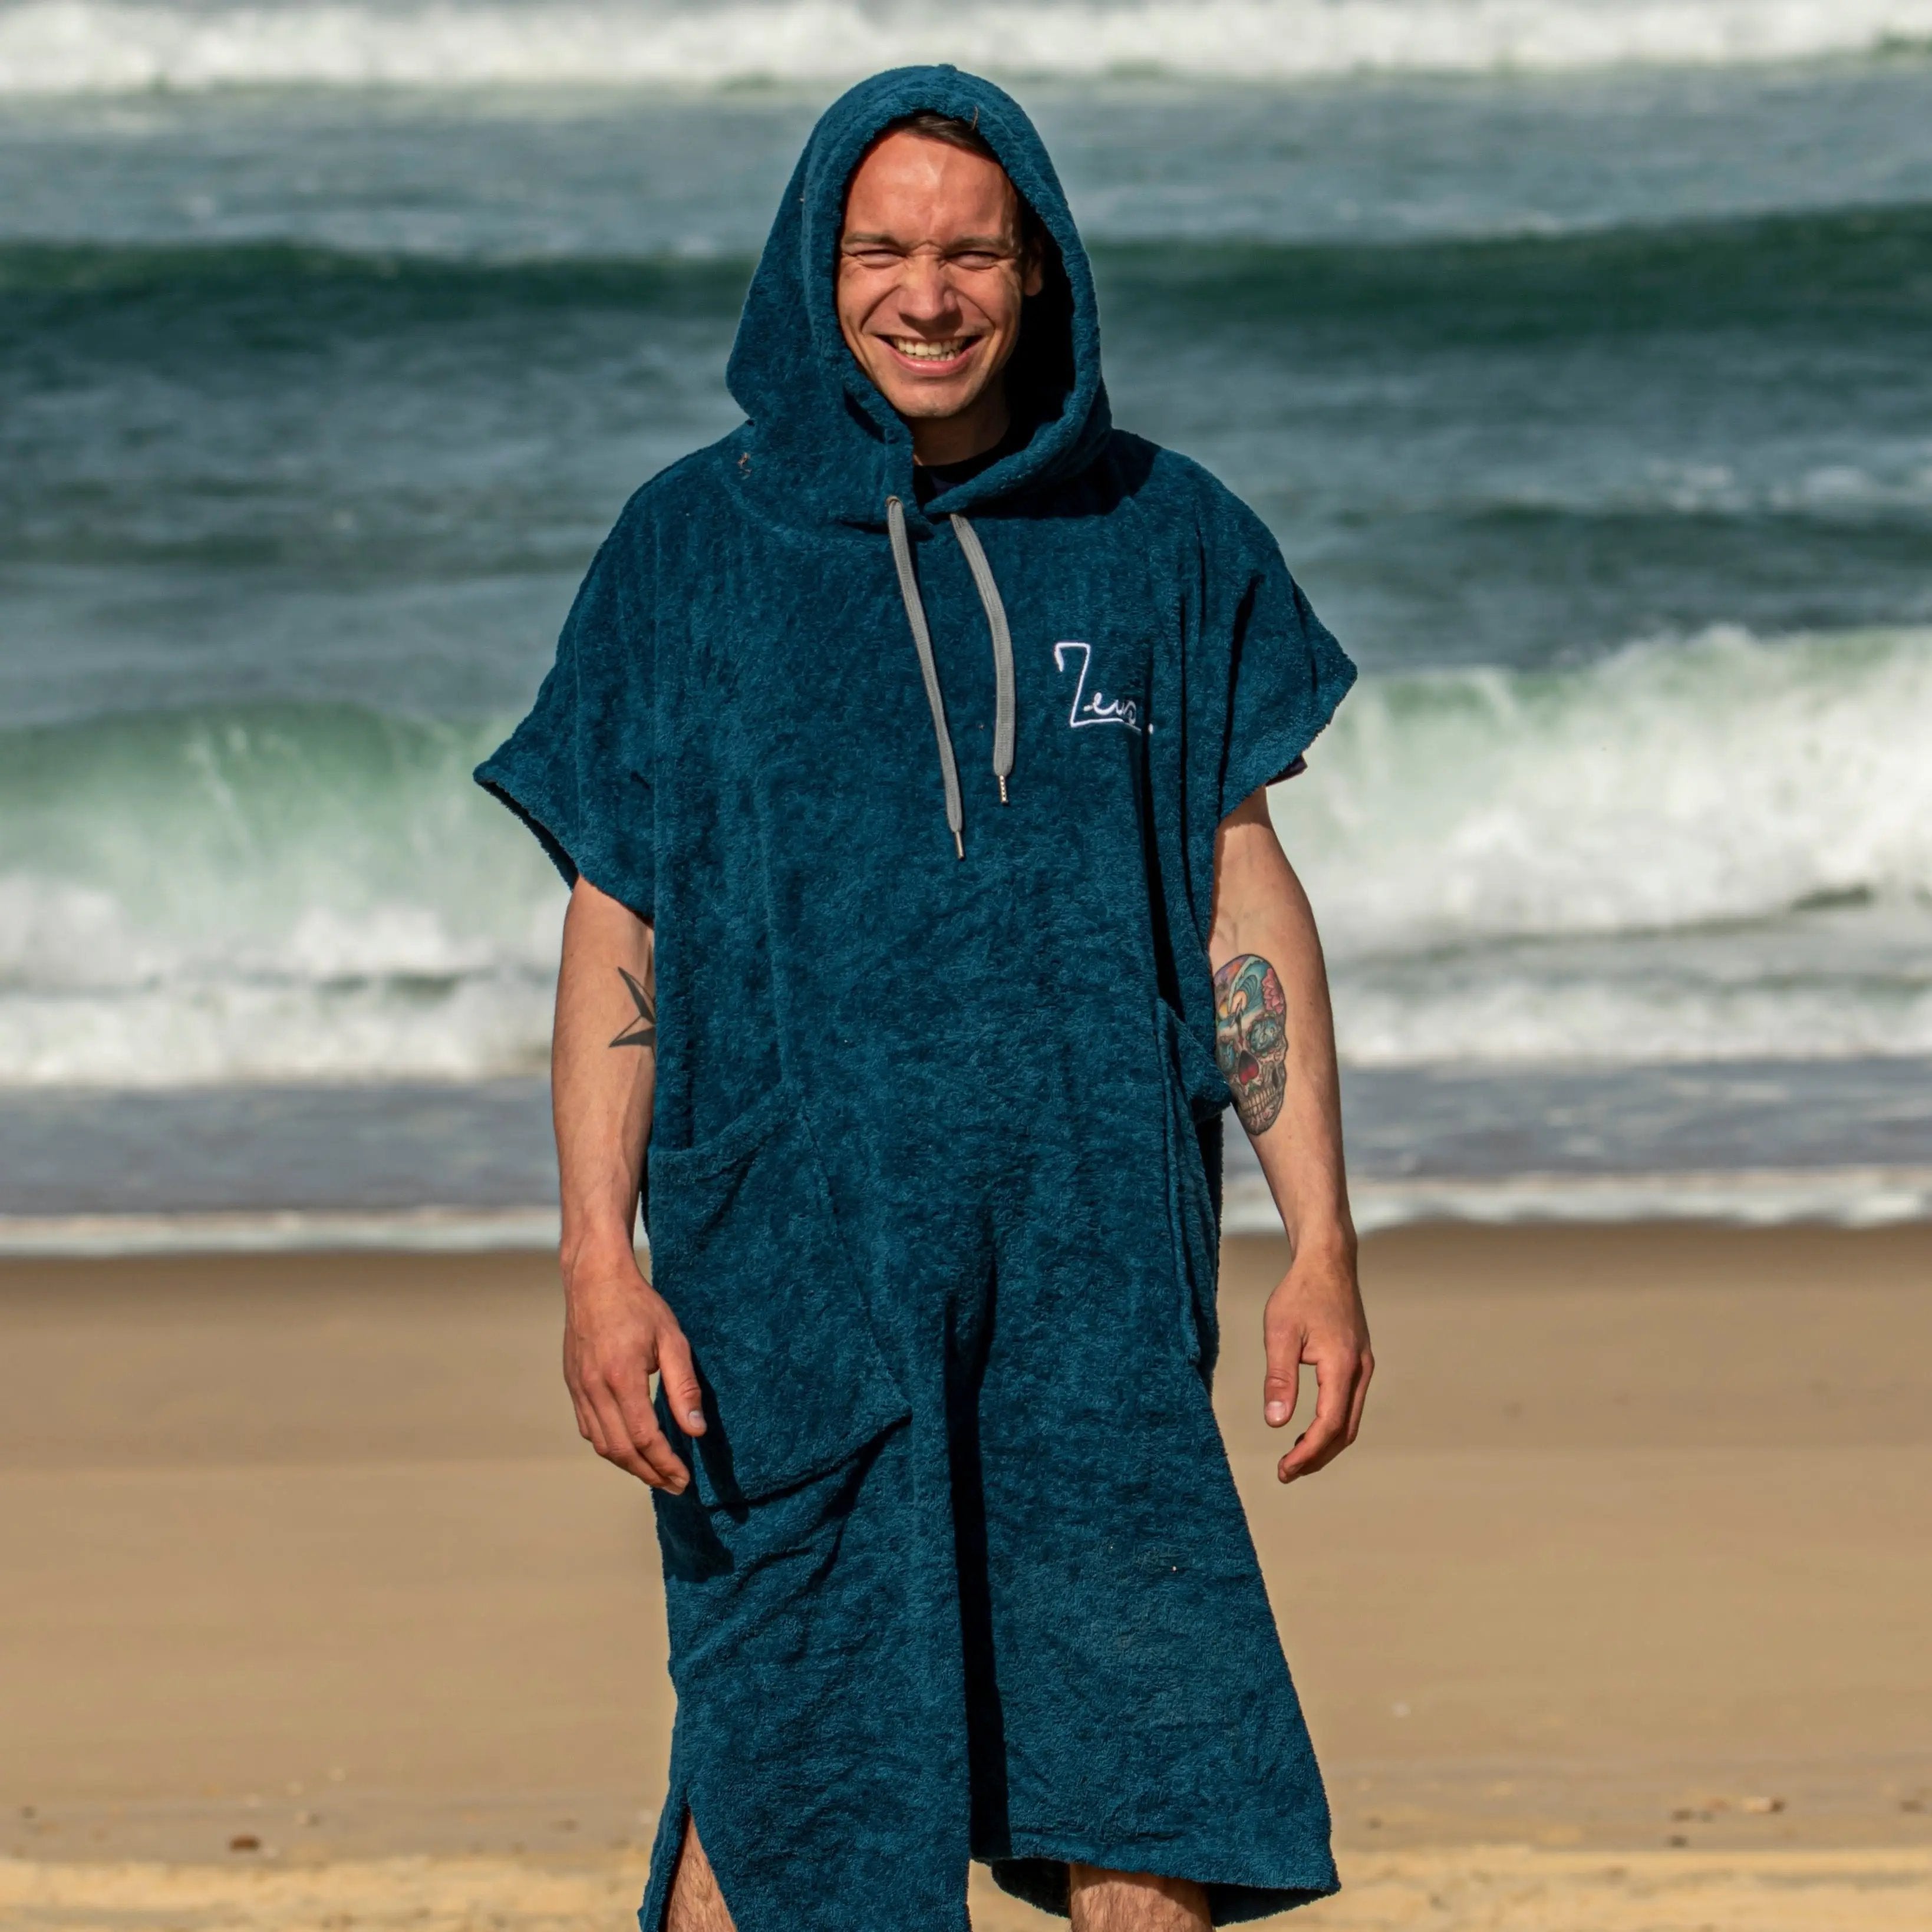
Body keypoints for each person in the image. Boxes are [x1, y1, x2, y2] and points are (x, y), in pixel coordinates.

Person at [477, 65, 1372, 1932]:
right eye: (882, 249)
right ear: (817, 271)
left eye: (972, 253)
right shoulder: (689, 551)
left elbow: (1238, 895)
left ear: (1039, 275)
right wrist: (594, 1262)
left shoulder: (1168, 532)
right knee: (790, 1760)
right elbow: (614, 926)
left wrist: (1322, 1243)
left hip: (1094, 1275)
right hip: (785, 1273)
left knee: (1153, 1768)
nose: (927, 294)